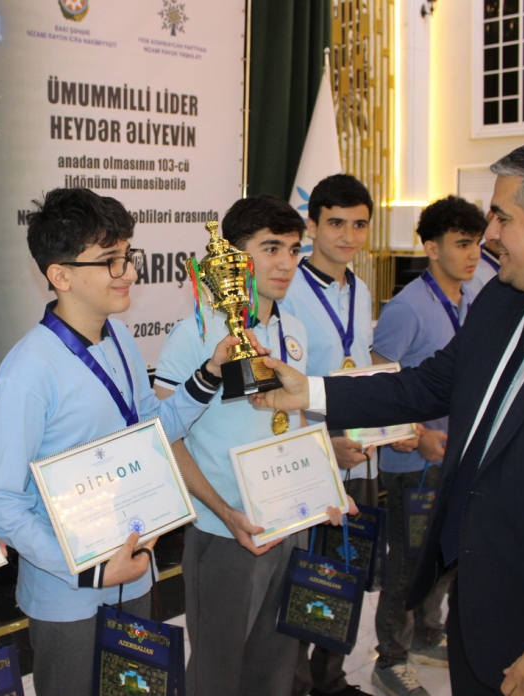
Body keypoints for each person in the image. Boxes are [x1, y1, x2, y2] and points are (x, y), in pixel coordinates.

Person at [250, 135, 524, 696]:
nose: (490, 236)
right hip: (481, 615)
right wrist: (309, 391)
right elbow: (429, 384)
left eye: (502, 218)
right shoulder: (506, 296)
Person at [0, 189, 242, 696]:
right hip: (68, 592)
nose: (129, 272)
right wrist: (92, 572)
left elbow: (153, 432)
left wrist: (209, 373)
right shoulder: (28, 371)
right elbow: (2, 504)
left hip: (136, 567)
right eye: (110, 260)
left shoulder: (119, 338)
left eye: (128, 255)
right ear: (61, 276)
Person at [154, 195, 315, 696]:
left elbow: (296, 421)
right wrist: (224, 512)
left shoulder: (293, 329)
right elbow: (165, 438)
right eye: (271, 248)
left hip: (290, 522)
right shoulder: (195, 335)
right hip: (226, 533)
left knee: (276, 668)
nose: (286, 263)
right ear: (234, 257)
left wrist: (323, 487)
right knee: (217, 676)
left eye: (294, 249)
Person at [369, 196, 487, 696]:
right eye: (462, 244)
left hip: (460, 455)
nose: (473, 254)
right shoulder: (407, 307)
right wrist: (419, 436)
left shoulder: (477, 296)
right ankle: (390, 658)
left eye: (477, 243)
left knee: (447, 554)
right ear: (431, 248)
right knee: (408, 563)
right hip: (412, 462)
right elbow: (380, 383)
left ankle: (427, 634)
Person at [280, 173, 377, 696]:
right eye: (336, 223)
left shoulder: (360, 289)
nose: (348, 235)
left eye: (359, 225)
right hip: (309, 443)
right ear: (312, 226)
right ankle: (297, 684)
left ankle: (331, 677)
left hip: (357, 443)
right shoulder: (288, 289)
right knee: (306, 570)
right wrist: (321, 448)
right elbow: (280, 390)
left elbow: (361, 365)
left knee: (348, 564)